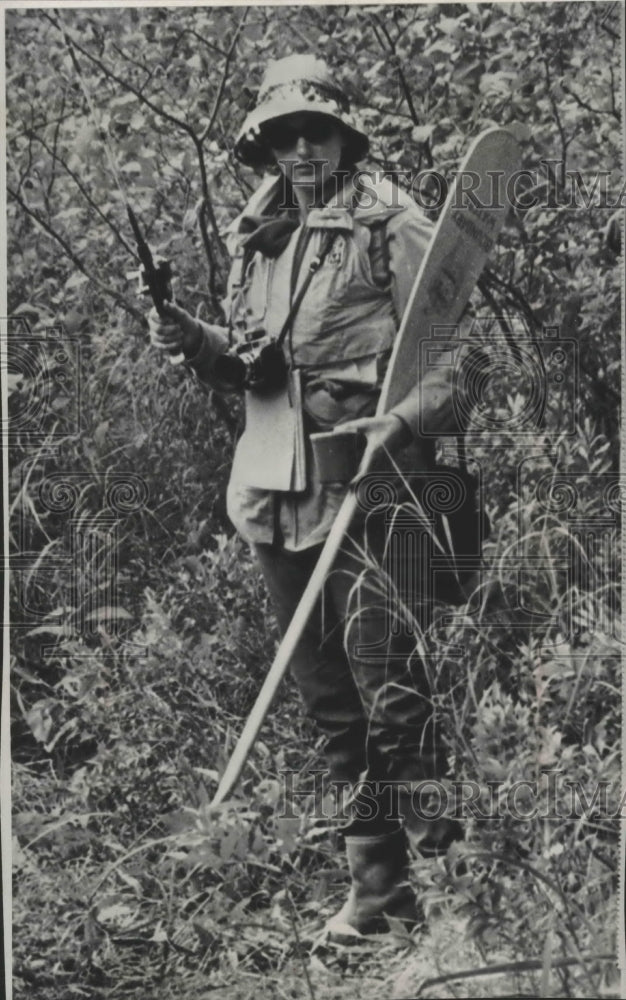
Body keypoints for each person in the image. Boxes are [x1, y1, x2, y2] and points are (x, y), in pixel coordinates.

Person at [148, 54, 463, 936]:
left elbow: (457, 362)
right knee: (332, 708)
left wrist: (400, 425)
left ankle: (468, 889)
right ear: (266, 146)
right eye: (282, 136)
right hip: (274, 500)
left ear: (343, 135)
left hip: (371, 495)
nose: (299, 150)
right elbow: (253, 367)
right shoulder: (261, 241)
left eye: (313, 131)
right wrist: (186, 334)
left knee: (394, 693)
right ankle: (378, 894)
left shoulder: (390, 224)